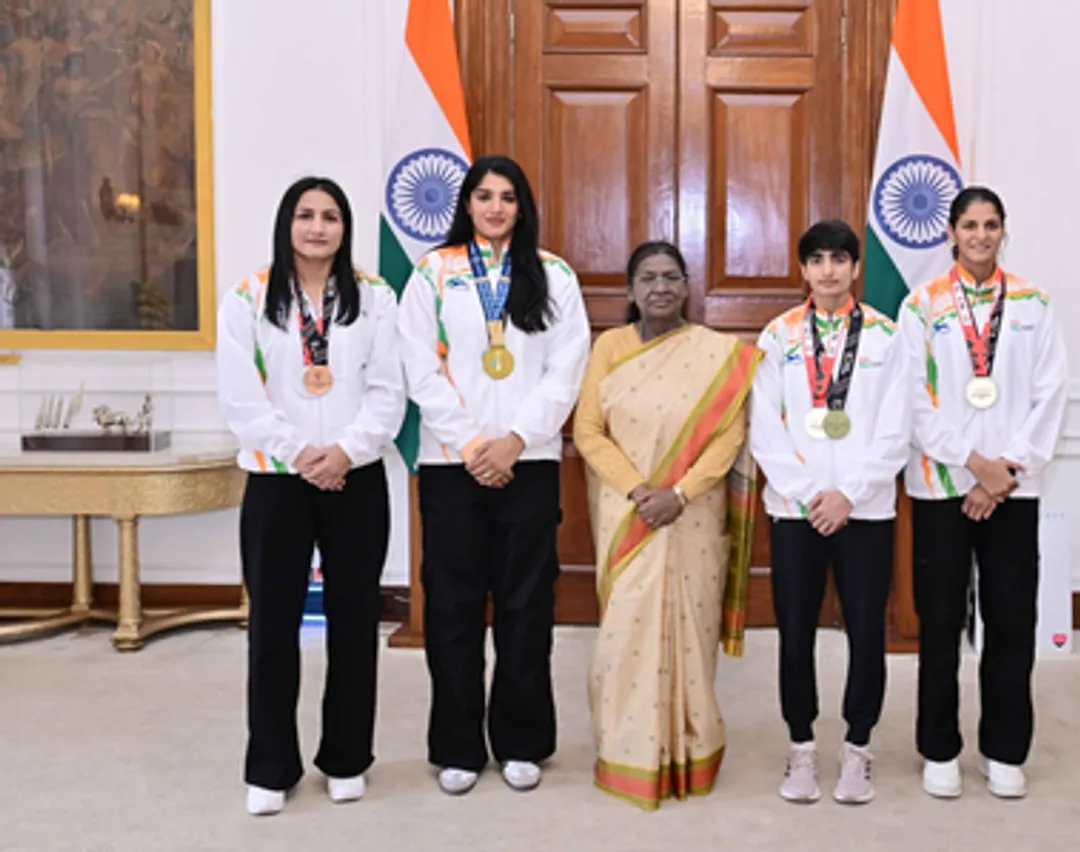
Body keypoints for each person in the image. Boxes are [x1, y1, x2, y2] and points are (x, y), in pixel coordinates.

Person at [398, 155, 591, 796]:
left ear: (522, 205)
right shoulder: (433, 271)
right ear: (467, 203)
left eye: (508, 196)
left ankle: (522, 740)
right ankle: (457, 745)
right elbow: (419, 367)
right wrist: (474, 444)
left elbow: (566, 370)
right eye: (484, 195)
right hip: (452, 464)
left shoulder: (553, 274)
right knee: (451, 606)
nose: (496, 207)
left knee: (525, 605)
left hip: (528, 463)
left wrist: (514, 441)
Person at [216, 176, 405, 816]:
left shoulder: (375, 296)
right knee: (273, 626)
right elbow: (241, 396)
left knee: (354, 622)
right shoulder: (247, 296)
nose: (318, 227)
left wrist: (344, 452)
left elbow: (388, 390)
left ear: (345, 226)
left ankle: (347, 757)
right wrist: (301, 455)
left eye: (330, 216)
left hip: (355, 478)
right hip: (277, 481)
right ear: (286, 224)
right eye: (306, 215)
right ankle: (270, 766)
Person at [574, 240, 762, 810]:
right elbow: (588, 431)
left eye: (672, 277)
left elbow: (730, 434)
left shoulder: (717, 353)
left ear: (687, 288)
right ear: (630, 291)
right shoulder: (610, 347)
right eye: (648, 277)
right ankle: (627, 750)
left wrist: (679, 493)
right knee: (624, 634)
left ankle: (692, 747)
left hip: (693, 515)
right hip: (627, 512)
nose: (660, 286)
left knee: (692, 631)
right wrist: (640, 492)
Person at [897, 186, 1068, 800]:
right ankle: (939, 749)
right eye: (969, 224)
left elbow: (1052, 393)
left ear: (1003, 232)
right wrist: (972, 464)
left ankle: (1004, 749)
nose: (980, 235)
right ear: (950, 232)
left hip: (1011, 493)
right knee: (940, 621)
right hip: (942, 486)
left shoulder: (1033, 303)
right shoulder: (921, 306)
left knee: (1011, 621)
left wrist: (1004, 473)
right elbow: (914, 400)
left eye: (990, 225)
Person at [749, 220, 910, 805]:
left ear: (855, 267)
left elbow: (898, 427)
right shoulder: (779, 335)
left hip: (864, 511)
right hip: (796, 511)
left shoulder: (889, 338)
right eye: (816, 260)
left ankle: (858, 750)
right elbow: (763, 425)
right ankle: (801, 748)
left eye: (839, 259)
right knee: (796, 633)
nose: (828, 270)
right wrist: (809, 492)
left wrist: (852, 492)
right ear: (803, 270)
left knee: (867, 633)